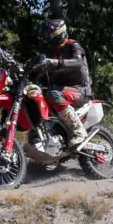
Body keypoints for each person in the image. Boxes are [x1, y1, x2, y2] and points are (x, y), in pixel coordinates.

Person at [37, 18, 92, 150]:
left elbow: (78, 63)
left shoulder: (73, 45)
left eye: (48, 34)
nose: (46, 38)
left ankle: (78, 131)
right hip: (65, 91)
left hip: (80, 90)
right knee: (38, 96)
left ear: (57, 33)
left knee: (53, 93)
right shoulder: (52, 52)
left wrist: (55, 62)